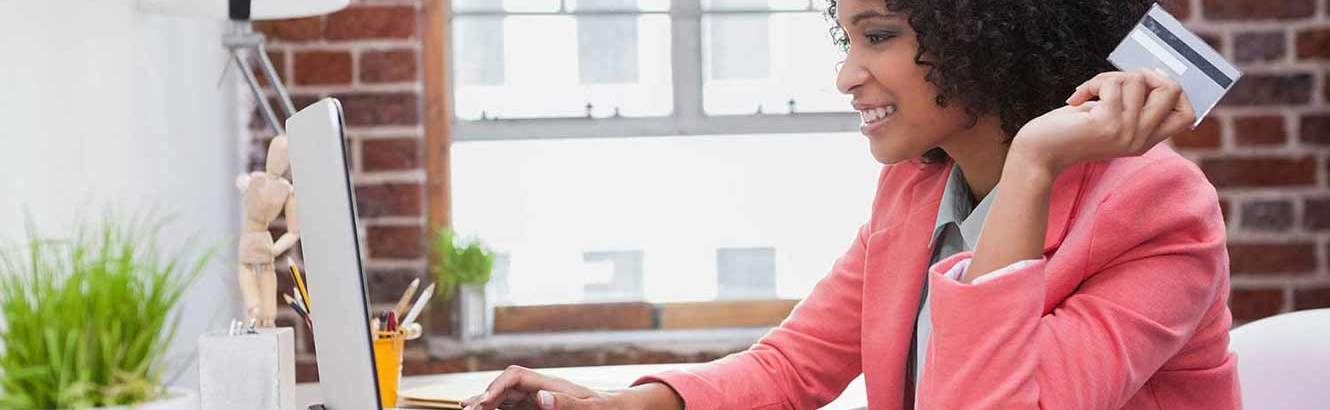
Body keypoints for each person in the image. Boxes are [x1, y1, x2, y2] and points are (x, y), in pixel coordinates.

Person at [462, 0, 1240, 408]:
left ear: (986, 29)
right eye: (847, 41)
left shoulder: (1160, 211)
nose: (847, 76)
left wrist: (1035, 159)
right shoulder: (915, 187)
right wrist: (619, 407)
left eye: (879, 36)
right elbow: (796, 365)